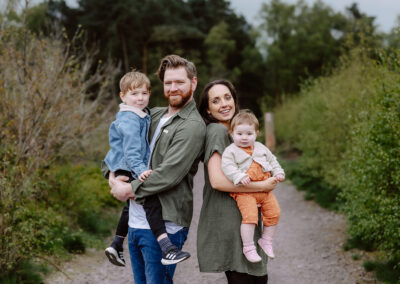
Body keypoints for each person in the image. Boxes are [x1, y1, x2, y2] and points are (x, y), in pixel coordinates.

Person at [106, 55, 206, 284]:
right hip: (136, 221)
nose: (173, 88)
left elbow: (167, 176)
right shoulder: (153, 114)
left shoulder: (192, 126)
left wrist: (126, 189)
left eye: (179, 82)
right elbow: (121, 143)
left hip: (165, 225)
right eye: (168, 82)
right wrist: (111, 176)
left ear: (193, 82)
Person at [197, 79, 278, 284]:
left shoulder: (236, 133)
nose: (224, 104)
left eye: (227, 97)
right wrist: (262, 186)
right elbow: (217, 181)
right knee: (247, 277)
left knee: (254, 275)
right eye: (215, 101)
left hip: (241, 212)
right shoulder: (217, 131)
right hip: (228, 215)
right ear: (207, 110)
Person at [221, 109, 285, 263]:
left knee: (274, 212)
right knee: (250, 217)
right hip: (245, 192)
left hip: (264, 191)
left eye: (249, 134)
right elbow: (227, 166)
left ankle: (266, 240)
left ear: (256, 133)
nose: (244, 137)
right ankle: (248, 247)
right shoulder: (231, 151)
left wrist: (278, 172)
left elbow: (273, 161)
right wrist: (239, 176)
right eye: (240, 133)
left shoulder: (261, 148)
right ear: (232, 133)